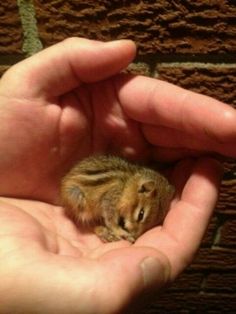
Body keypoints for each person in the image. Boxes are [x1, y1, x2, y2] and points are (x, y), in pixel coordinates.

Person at [0, 37, 235, 314]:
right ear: (143, 189)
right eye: (139, 217)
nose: (137, 226)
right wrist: (116, 229)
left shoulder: (138, 187)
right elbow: (111, 208)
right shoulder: (120, 189)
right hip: (81, 196)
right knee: (91, 211)